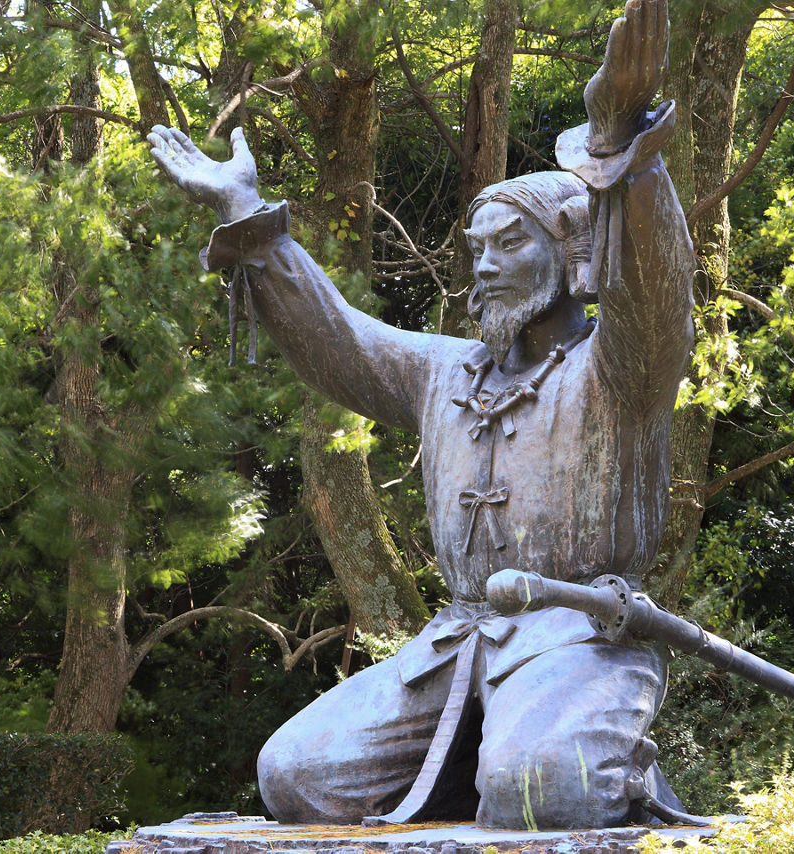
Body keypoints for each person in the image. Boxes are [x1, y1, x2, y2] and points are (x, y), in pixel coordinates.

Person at [149, 0, 695, 830]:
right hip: (454, 645)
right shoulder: (444, 372)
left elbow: (654, 296)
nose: (484, 266)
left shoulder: (617, 372)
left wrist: (624, 154)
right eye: (476, 249)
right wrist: (250, 226)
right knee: (295, 776)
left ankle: (567, 763)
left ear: (575, 256)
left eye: (510, 244)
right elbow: (339, 340)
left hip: (580, 639)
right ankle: (482, 769)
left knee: (549, 790)